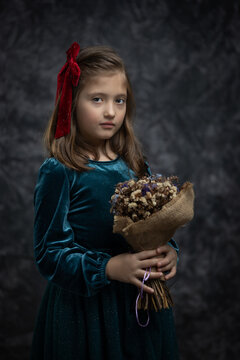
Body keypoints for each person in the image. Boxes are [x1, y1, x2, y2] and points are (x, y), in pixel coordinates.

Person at [31, 42, 179, 360]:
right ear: (71, 103)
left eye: (119, 100)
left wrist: (169, 252)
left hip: (138, 305)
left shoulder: (135, 164)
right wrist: (109, 267)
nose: (111, 111)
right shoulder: (60, 169)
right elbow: (48, 253)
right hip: (87, 313)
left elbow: (155, 226)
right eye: (97, 99)